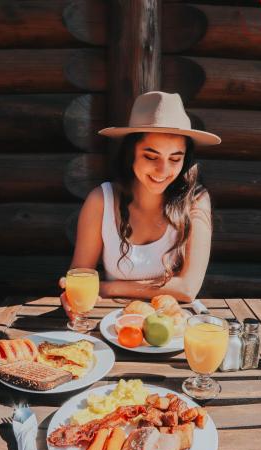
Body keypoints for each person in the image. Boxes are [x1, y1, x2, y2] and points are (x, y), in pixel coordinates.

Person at [60, 91, 221, 319]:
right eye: (151, 156)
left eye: (175, 159)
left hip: (173, 327)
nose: (163, 171)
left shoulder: (196, 201)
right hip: (113, 324)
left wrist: (107, 287)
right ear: (131, 153)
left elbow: (187, 289)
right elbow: (79, 278)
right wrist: (72, 295)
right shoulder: (101, 201)